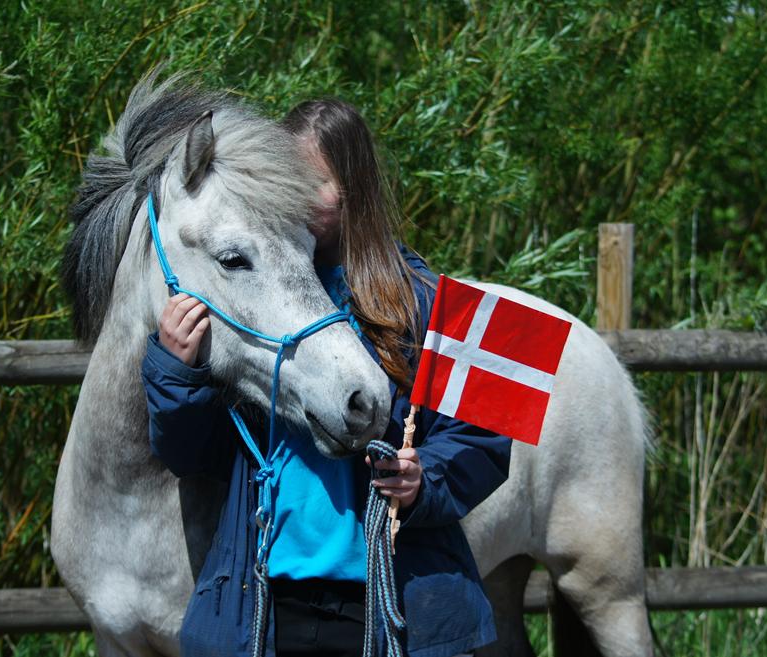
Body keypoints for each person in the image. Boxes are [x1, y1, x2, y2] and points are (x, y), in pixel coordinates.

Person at [141, 98, 511, 657]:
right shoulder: (254, 294)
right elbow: (194, 457)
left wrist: (424, 479)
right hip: (269, 601)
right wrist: (175, 369)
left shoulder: (428, 299)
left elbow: (486, 437)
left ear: (356, 189)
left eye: (314, 182)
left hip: (390, 600)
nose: (296, 197)